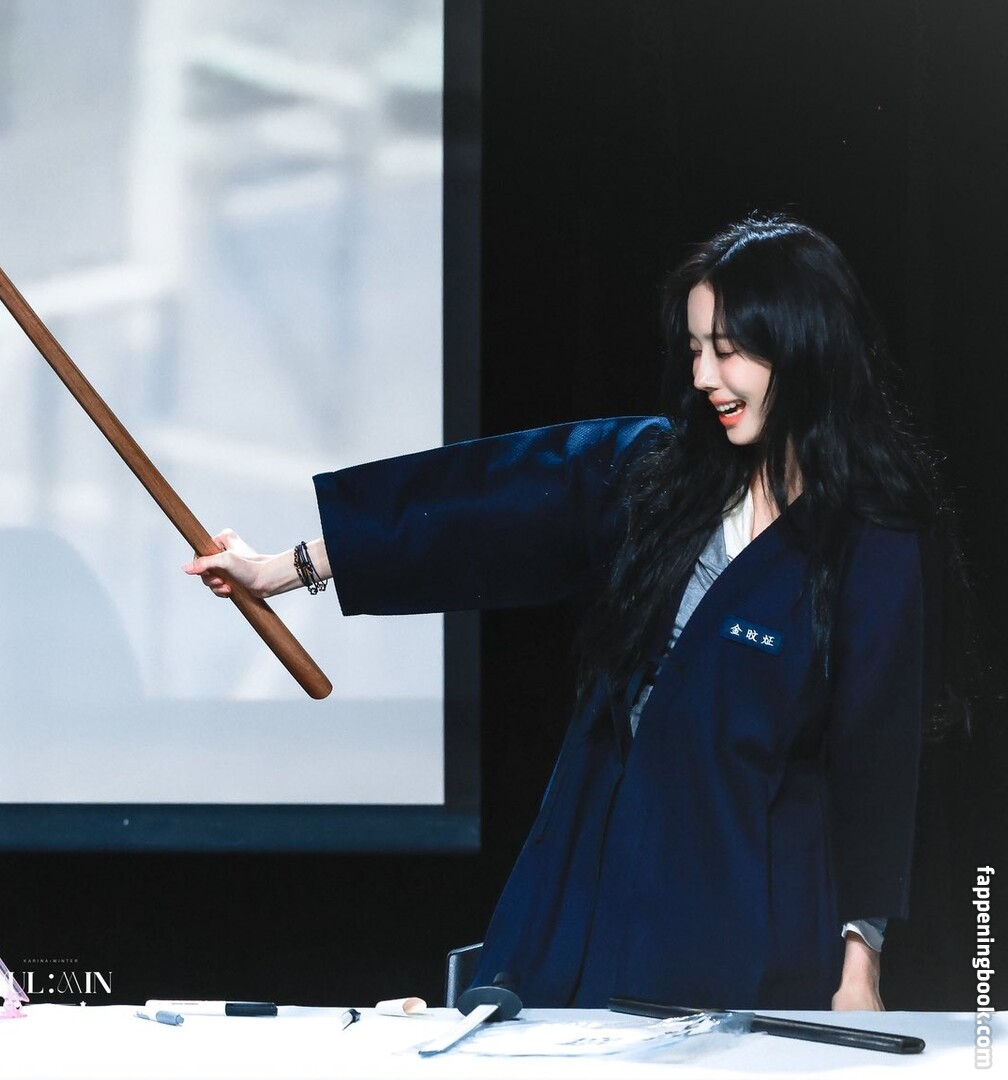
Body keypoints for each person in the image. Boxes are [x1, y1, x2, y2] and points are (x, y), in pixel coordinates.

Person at [187, 215, 950, 1011]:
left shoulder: (873, 537)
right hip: (591, 880)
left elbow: (876, 757)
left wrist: (859, 970)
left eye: (726, 350)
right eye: (695, 349)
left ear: (800, 346)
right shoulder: (658, 475)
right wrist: (284, 568)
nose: (703, 376)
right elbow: (479, 510)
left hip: (745, 910)